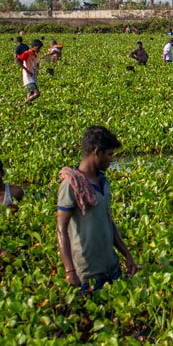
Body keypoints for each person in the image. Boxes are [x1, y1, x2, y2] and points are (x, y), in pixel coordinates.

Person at [56, 125, 136, 293]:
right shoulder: (71, 185)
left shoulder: (103, 181)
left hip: (111, 267)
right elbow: (61, 228)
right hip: (87, 273)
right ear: (97, 152)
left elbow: (107, 220)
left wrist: (126, 255)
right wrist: (70, 271)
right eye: (109, 154)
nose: (112, 159)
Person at [18, 39, 43, 104]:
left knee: (31, 93)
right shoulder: (27, 53)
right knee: (37, 93)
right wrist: (26, 70)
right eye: (38, 48)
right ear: (34, 47)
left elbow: (35, 65)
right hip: (28, 77)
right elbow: (17, 60)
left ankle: (26, 107)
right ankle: (22, 105)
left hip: (32, 77)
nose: (39, 50)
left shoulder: (34, 55)